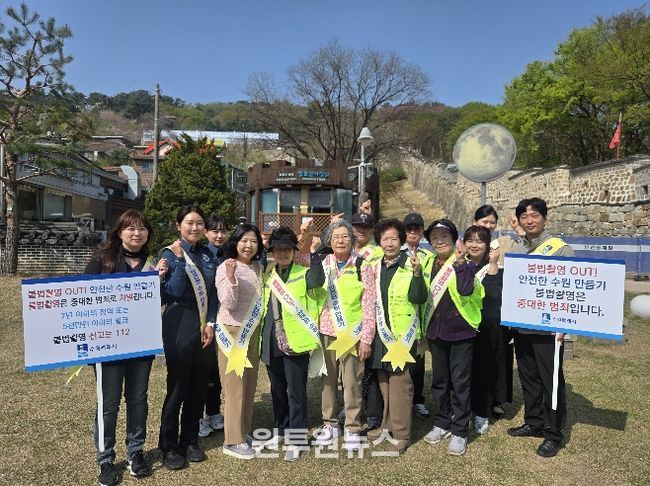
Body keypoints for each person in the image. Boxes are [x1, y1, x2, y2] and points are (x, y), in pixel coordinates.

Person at [84, 210, 166, 486]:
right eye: (131, 228)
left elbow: (159, 302)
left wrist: (159, 281)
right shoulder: (102, 259)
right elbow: (82, 295)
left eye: (142, 228)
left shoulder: (153, 263)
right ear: (119, 232)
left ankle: (135, 452)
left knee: (138, 399)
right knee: (108, 404)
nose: (137, 233)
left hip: (141, 343)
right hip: (107, 345)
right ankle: (105, 459)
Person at [507, 198, 574, 458]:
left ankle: (553, 432)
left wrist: (564, 324)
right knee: (529, 378)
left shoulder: (560, 249)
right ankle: (533, 422)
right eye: (524, 216)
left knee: (551, 382)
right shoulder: (518, 248)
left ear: (545, 218)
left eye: (535, 215)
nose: (529, 220)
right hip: (522, 327)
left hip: (548, 330)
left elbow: (571, 290)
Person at [303, 219, 376, 451]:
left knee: (352, 381)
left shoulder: (362, 265)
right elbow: (302, 266)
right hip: (327, 330)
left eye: (345, 236)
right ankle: (330, 424)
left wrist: (366, 338)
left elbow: (369, 304)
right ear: (329, 241)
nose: (340, 241)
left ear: (352, 240)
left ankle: (352, 427)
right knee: (328, 381)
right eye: (336, 237)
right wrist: (308, 242)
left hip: (352, 334)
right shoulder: (324, 262)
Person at [259, 226, 325, 461]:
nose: (282, 252)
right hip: (271, 340)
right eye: (277, 249)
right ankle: (281, 428)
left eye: (287, 248)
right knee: (277, 389)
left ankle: (297, 438)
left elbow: (318, 281)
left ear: (294, 251)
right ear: (272, 252)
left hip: (296, 340)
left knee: (296, 391)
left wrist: (314, 254)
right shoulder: (268, 275)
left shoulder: (304, 272)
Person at [158, 206, 216, 471]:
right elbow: (173, 290)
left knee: (199, 385)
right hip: (178, 321)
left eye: (200, 223)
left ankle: (190, 440)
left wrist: (211, 323)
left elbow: (213, 293)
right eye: (189, 223)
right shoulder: (169, 253)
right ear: (178, 225)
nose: (195, 228)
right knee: (178, 385)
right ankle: (168, 445)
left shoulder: (206, 254)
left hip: (203, 324)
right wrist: (180, 260)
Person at [422, 219, 484, 456]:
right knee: (439, 381)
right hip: (436, 332)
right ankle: (442, 422)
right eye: (435, 237)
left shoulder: (464, 263)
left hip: (460, 332)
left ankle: (459, 430)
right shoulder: (427, 263)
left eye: (444, 237)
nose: (439, 241)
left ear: (454, 239)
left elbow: (466, 290)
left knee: (460, 383)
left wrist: (459, 262)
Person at [367, 219, 427, 453]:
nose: (389, 243)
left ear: (401, 240)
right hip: (381, 334)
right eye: (385, 239)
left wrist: (417, 274)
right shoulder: (375, 266)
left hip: (402, 335)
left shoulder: (411, 264)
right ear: (379, 242)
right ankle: (387, 425)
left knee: (400, 384)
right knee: (384, 381)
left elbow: (419, 297)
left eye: (394, 238)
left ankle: (402, 434)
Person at [216, 223, 266, 459]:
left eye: (254, 241)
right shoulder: (226, 266)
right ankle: (232, 440)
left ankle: (243, 431)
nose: (249, 245)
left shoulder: (258, 267)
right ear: (235, 243)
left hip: (252, 331)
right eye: (244, 240)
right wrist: (231, 277)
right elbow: (228, 302)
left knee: (249, 384)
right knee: (234, 387)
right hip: (233, 332)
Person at [464, 225, 511, 436]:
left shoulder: (495, 268)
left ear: (487, 245)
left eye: (479, 241)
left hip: (486, 328)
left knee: (483, 371)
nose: (474, 245)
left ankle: (482, 411)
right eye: (470, 240)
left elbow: (493, 295)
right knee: (462, 373)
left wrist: (492, 264)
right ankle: (463, 409)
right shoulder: (458, 265)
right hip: (462, 329)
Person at [472, 206, 515, 419]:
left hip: (497, 311)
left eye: (492, 222)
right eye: (484, 222)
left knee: (499, 357)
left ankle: (497, 399)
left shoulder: (502, 246)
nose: (488, 226)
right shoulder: (469, 244)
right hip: (474, 313)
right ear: (475, 222)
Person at [198, 216, 229, 438]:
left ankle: (214, 412)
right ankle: (198, 416)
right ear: (206, 232)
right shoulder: (200, 255)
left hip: (225, 321)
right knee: (202, 369)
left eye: (223, 231)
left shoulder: (228, 254)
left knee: (218, 370)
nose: (219, 235)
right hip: (204, 320)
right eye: (214, 231)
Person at [403, 212, 433, 419]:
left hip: (421, 317)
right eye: (409, 228)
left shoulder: (428, 256)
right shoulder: (395, 253)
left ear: (422, 231)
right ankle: (402, 400)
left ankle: (418, 400)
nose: (413, 232)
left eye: (417, 228)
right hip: (400, 315)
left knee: (419, 362)